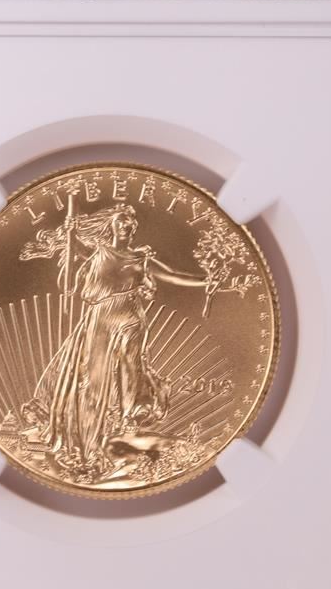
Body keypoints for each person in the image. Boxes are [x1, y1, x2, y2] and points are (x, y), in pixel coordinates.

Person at [20, 204, 207, 480]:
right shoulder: (100, 252)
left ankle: (129, 418)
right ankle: (88, 441)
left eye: (130, 222)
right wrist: (70, 232)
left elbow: (174, 275)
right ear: (111, 226)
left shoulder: (142, 258)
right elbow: (76, 249)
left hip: (130, 317)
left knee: (131, 367)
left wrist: (207, 280)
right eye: (121, 221)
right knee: (93, 378)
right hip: (100, 319)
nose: (127, 225)